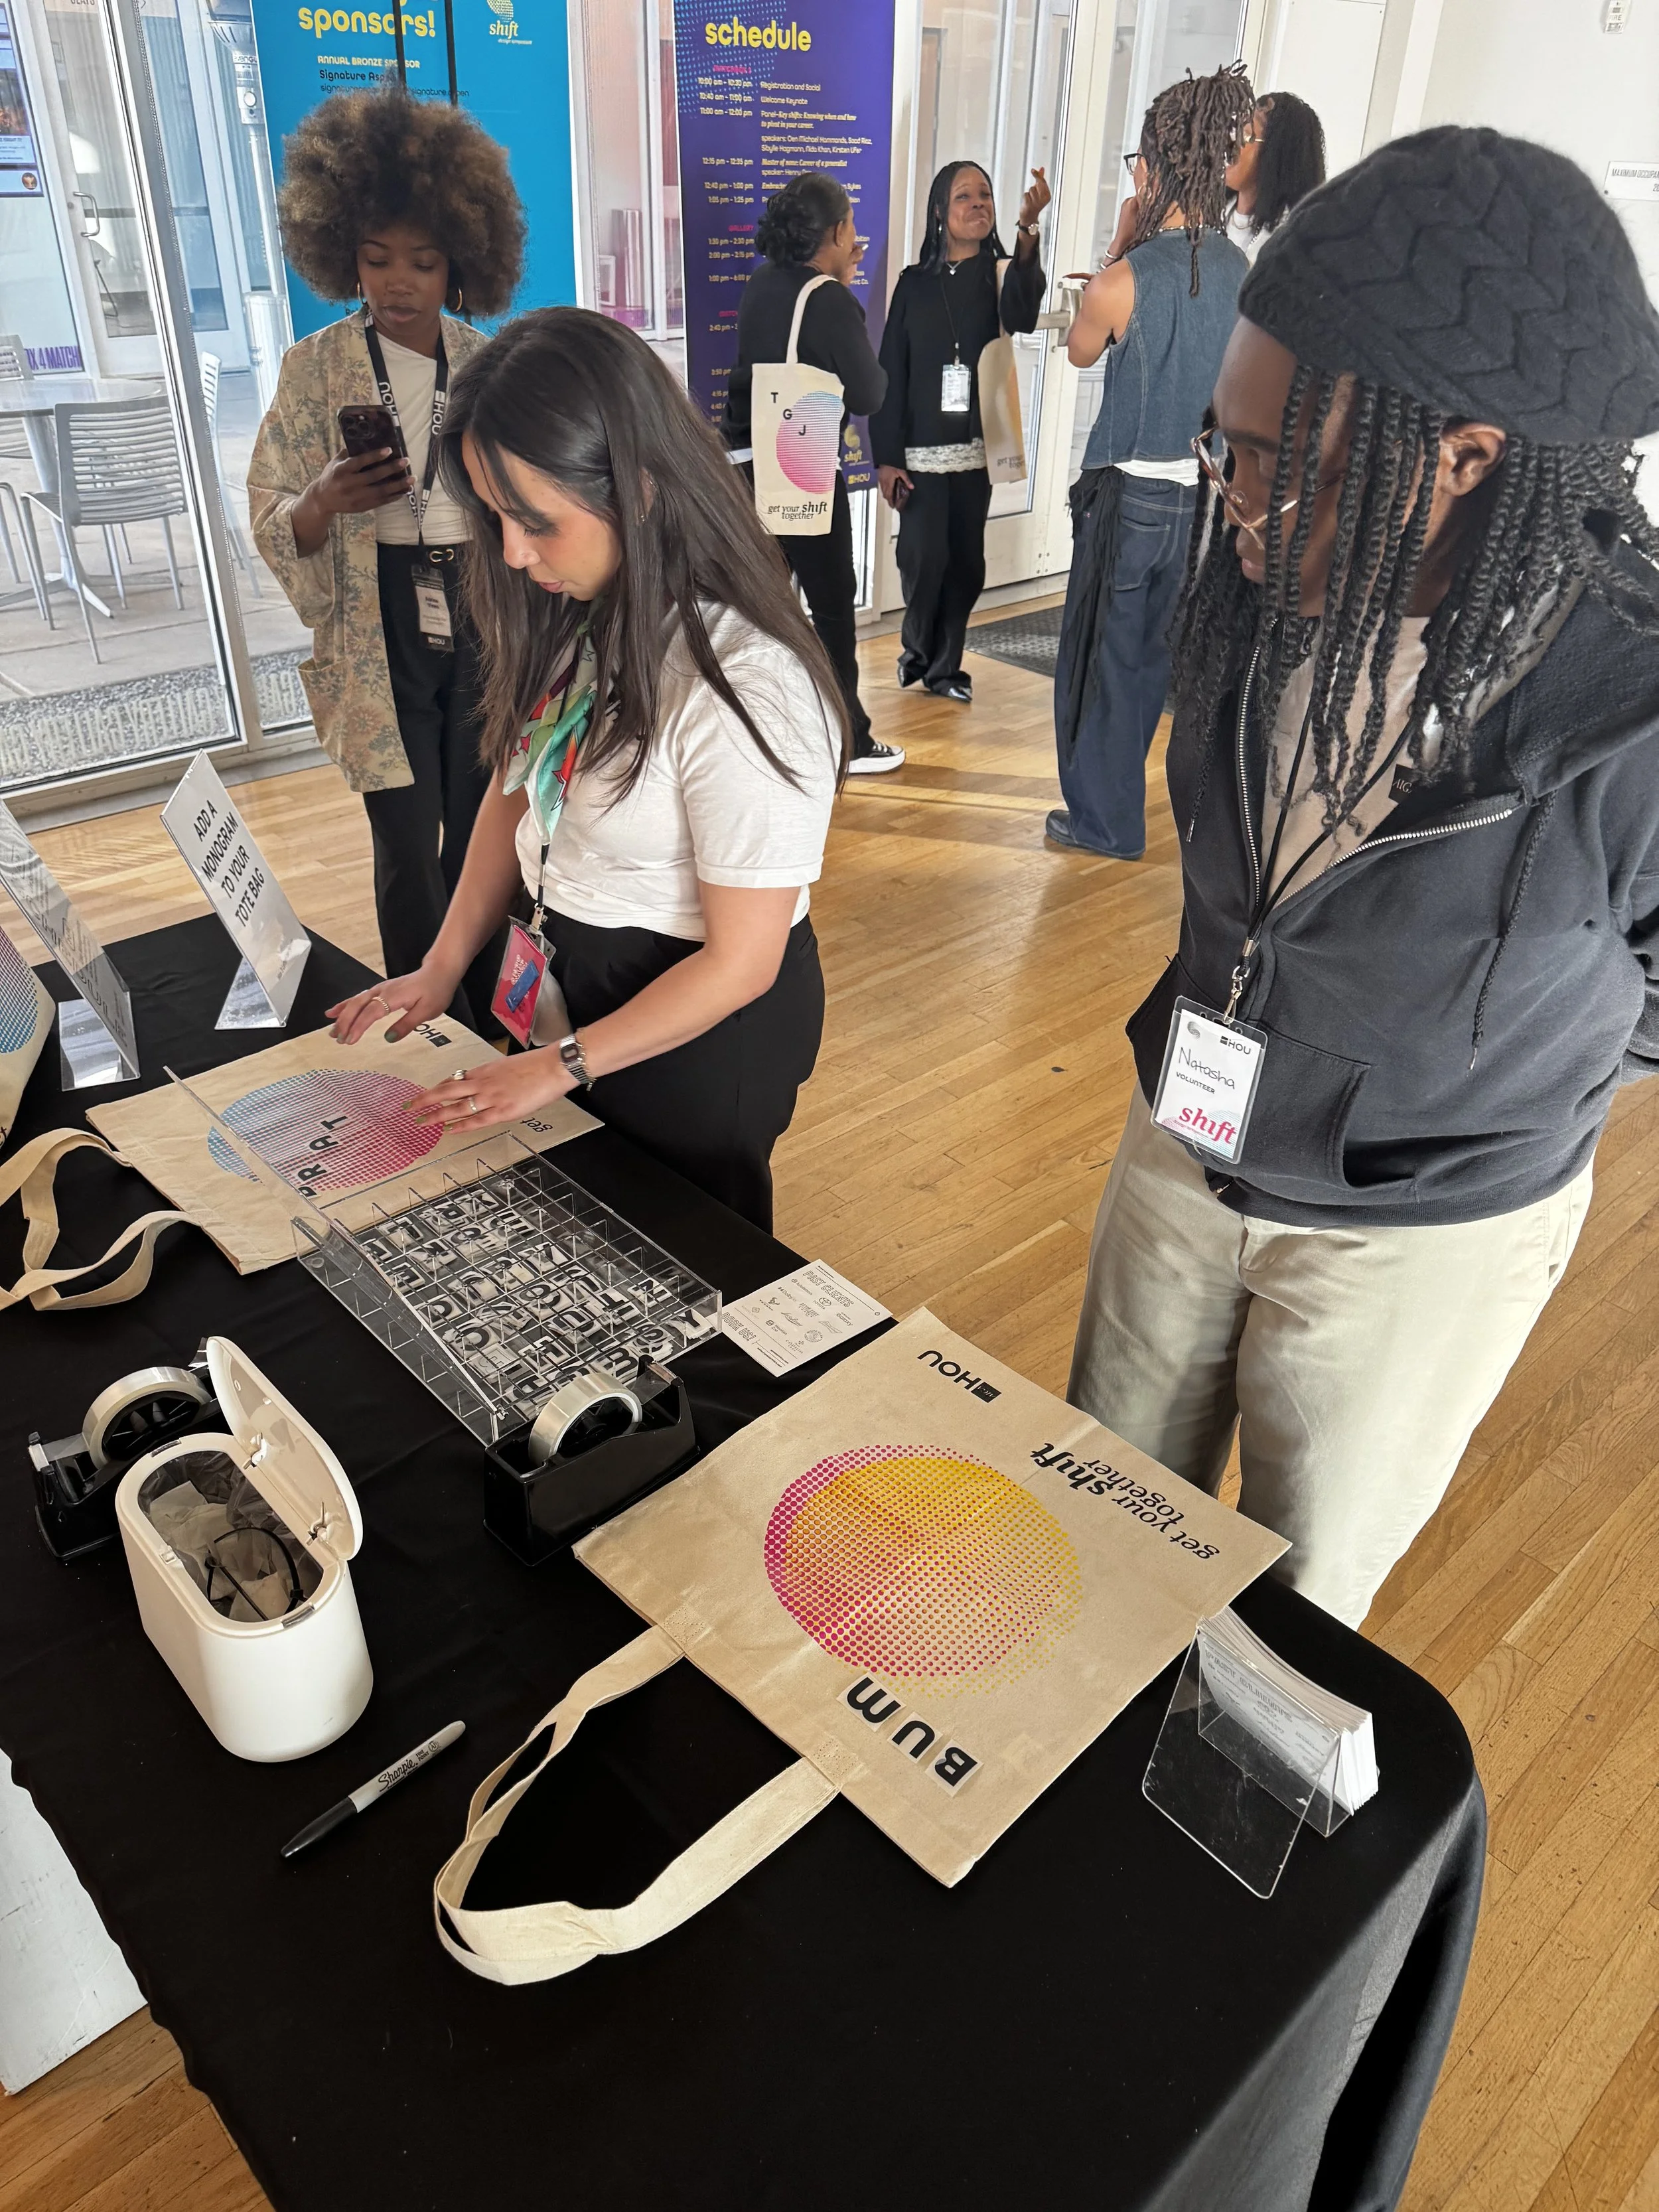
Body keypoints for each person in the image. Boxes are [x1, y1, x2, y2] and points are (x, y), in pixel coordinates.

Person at [1066, 127, 1659, 1628]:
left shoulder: (1629, 709)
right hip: (1186, 1133)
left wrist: (1477, 1076)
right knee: (1094, 1513)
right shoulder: (1266, 587)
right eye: (1225, 441)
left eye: (1272, 462)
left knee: (1293, 1611)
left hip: (1414, 1231)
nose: (1230, 495)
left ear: (1462, 461)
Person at [326, 308, 845, 1233]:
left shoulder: (748, 679)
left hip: (693, 1027)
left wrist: (560, 1065)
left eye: (537, 522)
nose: (516, 554)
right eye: (497, 517)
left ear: (640, 487)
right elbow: (516, 786)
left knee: (684, 1258)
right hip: (574, 984)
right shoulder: (588, 604)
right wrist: (442, 966)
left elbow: (741, 962)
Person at [250, 84, 525, 1033]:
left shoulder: (484, 358)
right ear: (343, 257)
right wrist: (324, 499)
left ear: (462, 261)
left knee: (484, 816)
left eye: (423, 260)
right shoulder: (313, 368)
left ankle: (485, 999)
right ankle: (419, 1009)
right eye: (376, 260)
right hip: (379, 620)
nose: (398, 281)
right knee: (406, 835)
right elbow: (267, 505)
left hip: (482, 609)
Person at [1047, 66, 1254, 859]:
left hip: (1127, 493)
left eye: (1135, 163)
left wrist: (1119, 245)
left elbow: (1076, 351)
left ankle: (1103, 822)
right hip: (1206, 501)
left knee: (1102, 658)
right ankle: (1126, 811)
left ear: (1154, 168)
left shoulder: (1124, 276)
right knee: (1153, 661)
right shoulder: (1241, 274)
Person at [725, 171, 901, 776]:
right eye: (851, 224)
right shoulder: (826, 298)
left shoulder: (763, 283)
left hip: (742, 466)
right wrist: (844, 285)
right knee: (830, 605)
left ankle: (760, 729)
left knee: (761, 606)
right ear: (835, 231)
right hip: (798, 467)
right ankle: (847, 737)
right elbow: (871, 392)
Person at [871, 161, 1050, 701]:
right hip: (920, 448)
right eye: (964, 197)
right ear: (939, 214)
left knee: (966, 563)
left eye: (986, 195)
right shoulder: (912, 284)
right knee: (923, 559)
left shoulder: (1000, 273)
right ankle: (917, 648)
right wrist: (887, 456)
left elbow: (1021, 311)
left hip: (977, 448)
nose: (978, 204)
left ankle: (946, 668)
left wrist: (1027, 229)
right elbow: (889, 372)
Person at [1225, 92, 1326, 262]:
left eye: (1246, 134)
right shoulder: (1211, 212)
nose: (1229, 143)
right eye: (1234, 131)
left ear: (1276, 154)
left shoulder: (1290, 240)